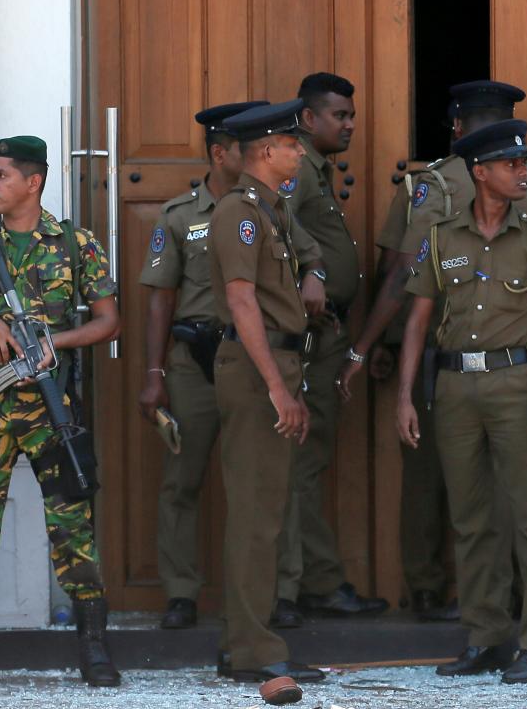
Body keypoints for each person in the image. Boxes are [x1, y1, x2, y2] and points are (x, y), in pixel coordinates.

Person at [341, 81, 527, 619]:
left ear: (456, 125)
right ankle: (507, 613)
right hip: (518, 359)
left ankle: (429, 588)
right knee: (508, 494)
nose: (518, 168)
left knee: (443, 481)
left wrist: (368, 345)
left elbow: (399, 271)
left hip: (470, 358)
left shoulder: (432, 185)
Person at [0, 135, 122, 689]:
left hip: (53, 410)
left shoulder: (75, 244)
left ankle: (94, 650)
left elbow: (109, 321)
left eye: (1, 176)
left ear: (33, 182)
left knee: (72, 525)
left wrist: (57, 341)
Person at [396, 120, 527, 685]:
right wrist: (405, 396)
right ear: (480, 172)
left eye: (524, 163)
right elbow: (418, 323)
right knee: (472, 519)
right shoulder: (441, 236)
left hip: (516, 386)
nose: (524, 172)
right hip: (454, 388)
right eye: (511, 165)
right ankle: (486, 638)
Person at [137, 101, 267, 630]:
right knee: (181, 481)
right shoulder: (177, 216)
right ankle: (181, 592)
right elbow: (160, 299)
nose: (260, 156)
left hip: (251, 361)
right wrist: (153, 375)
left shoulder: (267, 209)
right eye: (248, 149)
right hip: (193, 362)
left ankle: (264, 597)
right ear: (221, 153)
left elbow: (304, 264)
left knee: (257, 484)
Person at [209, 99, 327, 684]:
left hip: (277, 363)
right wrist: (278, 388)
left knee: (269, 511)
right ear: (265, 151)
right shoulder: (240, 212)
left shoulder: (271, 209)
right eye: (292, 143)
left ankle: (249, 642)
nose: (300, 151)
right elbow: (241, 300)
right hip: (257, 371)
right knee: (256, 515)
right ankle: (253, 649)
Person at [275, 72, 387, 625]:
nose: (349, 124)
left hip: (328, 333)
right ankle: (298, 586)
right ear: (307, 118)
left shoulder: (318, 170)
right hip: (305, 333)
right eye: (339, 115)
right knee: (301, 461)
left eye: (351, 115)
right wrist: (313, 271)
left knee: (310, 458)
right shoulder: (296, 170)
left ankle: (309, 580)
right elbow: (276, 223)